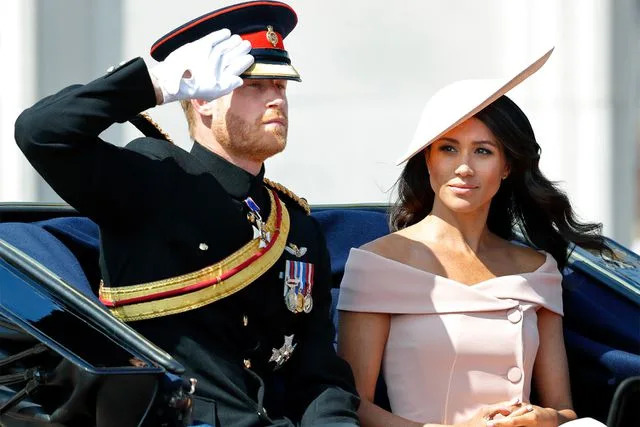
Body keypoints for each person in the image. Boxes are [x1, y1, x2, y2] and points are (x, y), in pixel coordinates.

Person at [14, 1, 359, 425]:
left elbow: (320, 374)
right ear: (203, 101)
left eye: (281, 86)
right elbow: (41, 133)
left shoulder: (294, 225)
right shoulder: (155, 175)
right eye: (254, 86)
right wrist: (151, 84)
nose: (276, 100)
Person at [336, 48, 611, 427]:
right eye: (448, 149)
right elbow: (353, 406)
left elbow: (564, 410)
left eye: (483, 151)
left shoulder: (538, 269)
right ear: (428, 160)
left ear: (507, 166)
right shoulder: (378, 263)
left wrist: (544, 418)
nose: (464, 167)